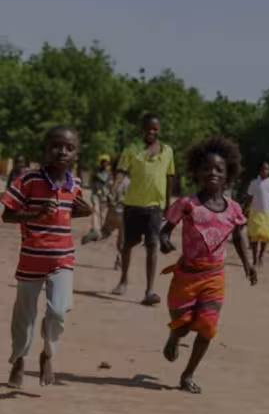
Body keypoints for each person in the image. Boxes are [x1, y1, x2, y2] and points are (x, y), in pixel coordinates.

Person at [159, 137, 257, 393]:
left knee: (208, 327)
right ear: (196, 172)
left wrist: (249, 265)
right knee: (182, 326)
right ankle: (174, 336)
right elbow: (165, 229)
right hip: (186, 276)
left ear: (228, 176)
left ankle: (188, 374)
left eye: (218, 170)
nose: (212, 173)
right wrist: (164, 240)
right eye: (206, 168)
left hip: (214, 276)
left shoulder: (234, 209)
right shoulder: (187, 204)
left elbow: (238, 236)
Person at [2, 126, 93, 387]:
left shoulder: (74, 183)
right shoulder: (29, 179)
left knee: (58, 311)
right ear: (45, 149)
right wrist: (34, 214)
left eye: (69, 147)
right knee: (24, 315)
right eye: (56, 145)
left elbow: (65, 212)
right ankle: (19, 359)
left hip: (62, 259)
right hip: (31, 258)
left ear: (76, 153)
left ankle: (47, 353)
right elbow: (7, 215)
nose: (62, 151)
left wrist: (83, 212)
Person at [113, 113, 175, 305]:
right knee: (128, 245)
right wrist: (114, 187)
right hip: (133, 205)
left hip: (155, 207)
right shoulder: (132, 149)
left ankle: (149, 291)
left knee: (153, 246)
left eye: (155, 129)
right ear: (142, 130)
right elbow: (122, 171)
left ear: (159, 130)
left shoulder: (167, 151)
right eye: (148, 128)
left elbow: (169, 176)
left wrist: (169, 204)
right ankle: (123, 279)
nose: (151, 132)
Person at [244, 163, 269, 267]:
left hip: (267, 213)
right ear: (259, 171)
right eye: (263, 169)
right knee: (254, 236)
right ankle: (254, 258)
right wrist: (245, 209)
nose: (264, 171)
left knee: (265, 237)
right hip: (255, 212)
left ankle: (261, 256)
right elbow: (249, 197)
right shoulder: (254, 183)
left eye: (267, 169)